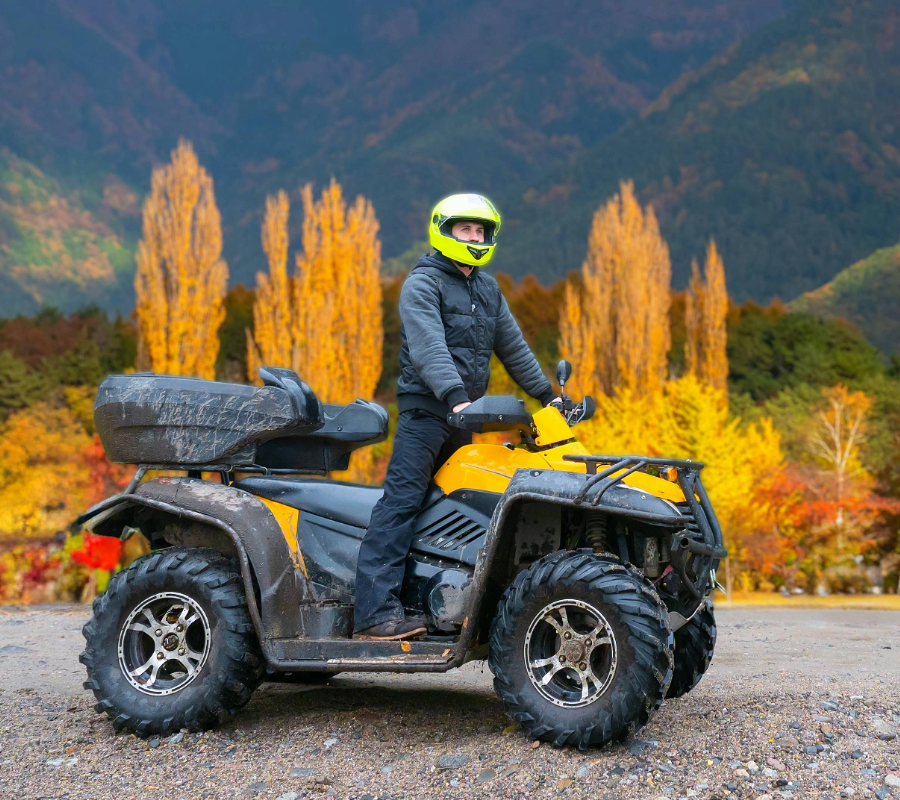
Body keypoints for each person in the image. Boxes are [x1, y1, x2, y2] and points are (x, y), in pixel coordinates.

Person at [352, 193, 558, 640]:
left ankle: (438, 600)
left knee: (459, 506)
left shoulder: (488, 288)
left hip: (466, 418)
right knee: (402, 503)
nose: (475, 237)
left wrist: (548, 395)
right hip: (428, 413)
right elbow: (429, 347)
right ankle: (372, 614)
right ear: (444, 231)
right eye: (466, 229)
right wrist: (455, 397)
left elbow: (514, 347)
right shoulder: (422, 283)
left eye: (481, 231)